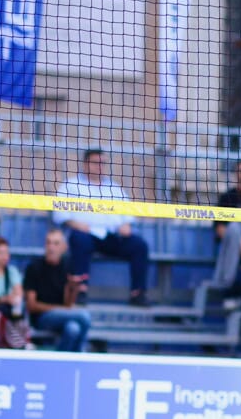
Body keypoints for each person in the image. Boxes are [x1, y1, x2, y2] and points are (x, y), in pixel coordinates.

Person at [53, 148, 151, 306]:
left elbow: (128, 215)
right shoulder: (70, 185)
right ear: (85, 164)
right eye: (96, 162)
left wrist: (125, 225)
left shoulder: (114, 188)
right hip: (85, 234)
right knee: (79, 240)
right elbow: (59, 214)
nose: (100, 166)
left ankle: (138, 293)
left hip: (112, 236)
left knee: (139, 245)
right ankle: (81, 291)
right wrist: (75, 224)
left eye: (103, 163)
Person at [23, 228, 91, 352]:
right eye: (48, 242)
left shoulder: (67, 265)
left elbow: (67, 304)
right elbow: (31, 305)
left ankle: (61, 363)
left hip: (62, 315)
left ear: (64, 247)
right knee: (84, 316)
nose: (51, 247)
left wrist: (72, 288)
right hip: (41, 317)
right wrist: (58, 309)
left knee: (73, 329)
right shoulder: (34, 267)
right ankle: (81, 358)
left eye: (56, 243)